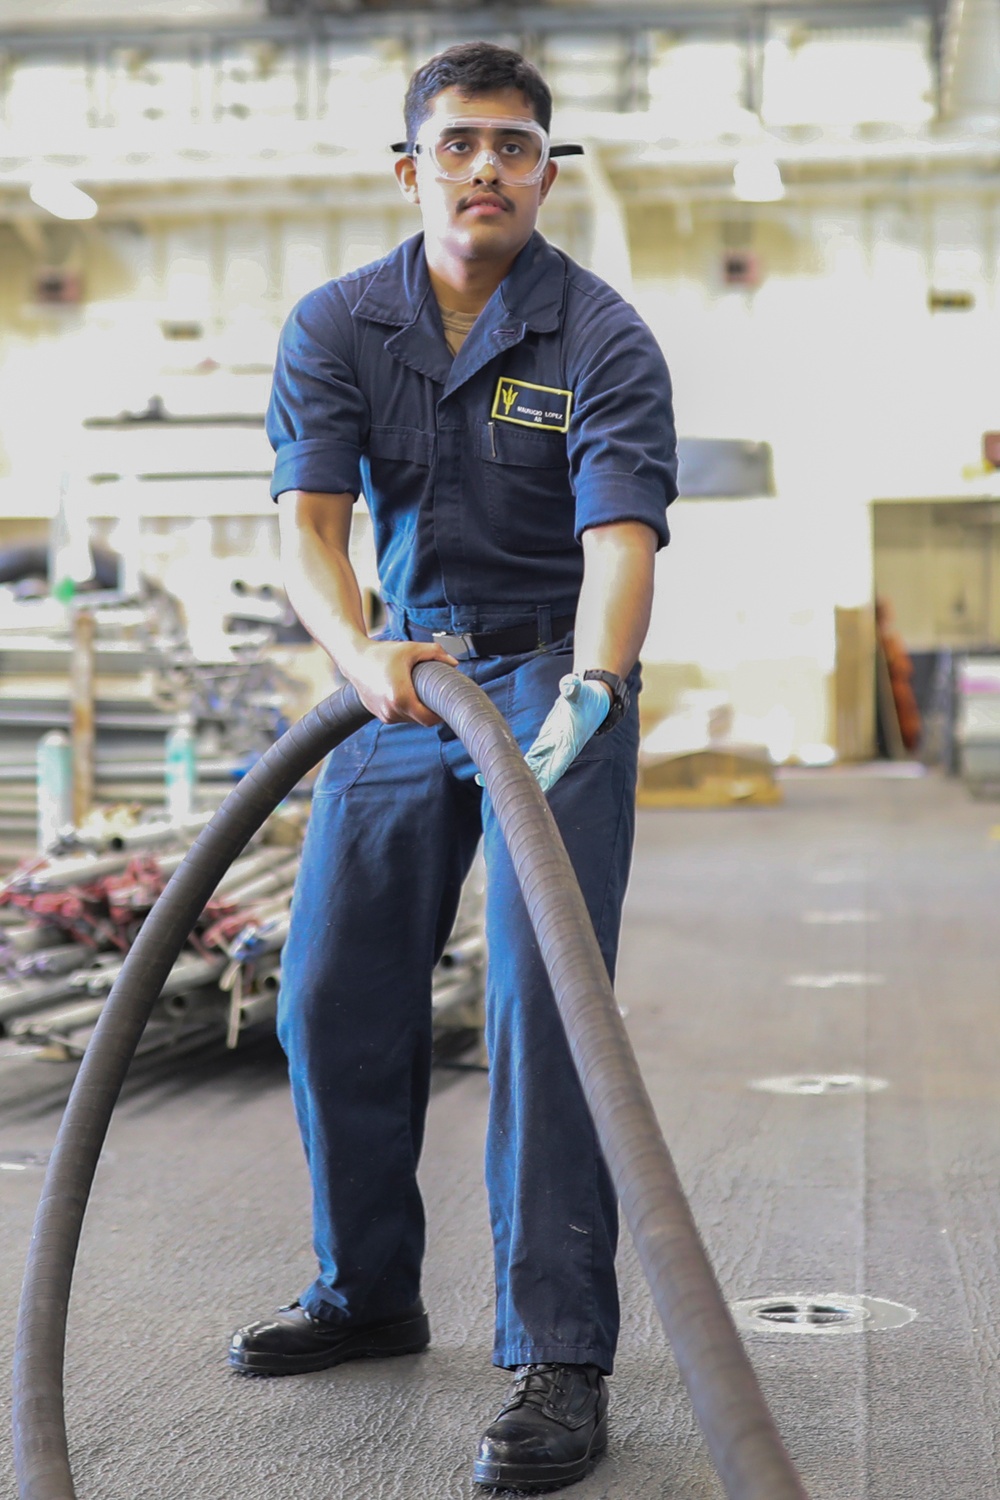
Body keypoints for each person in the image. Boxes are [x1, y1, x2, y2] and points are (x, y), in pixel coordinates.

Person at [229, 41, 677, 1494]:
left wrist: (597, 688)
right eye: (461, 142)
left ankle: (558, 1355)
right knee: (329, 990)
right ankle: (369, 1291)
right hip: (407, 673)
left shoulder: (601, 333)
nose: (489, 166)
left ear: (550, 171)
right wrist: (360, 654)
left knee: (545, 1010)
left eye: (518, 145)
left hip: (554, 669)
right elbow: (308, 525)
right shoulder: (339, 323)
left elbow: (620, 540)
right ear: (410, 166)